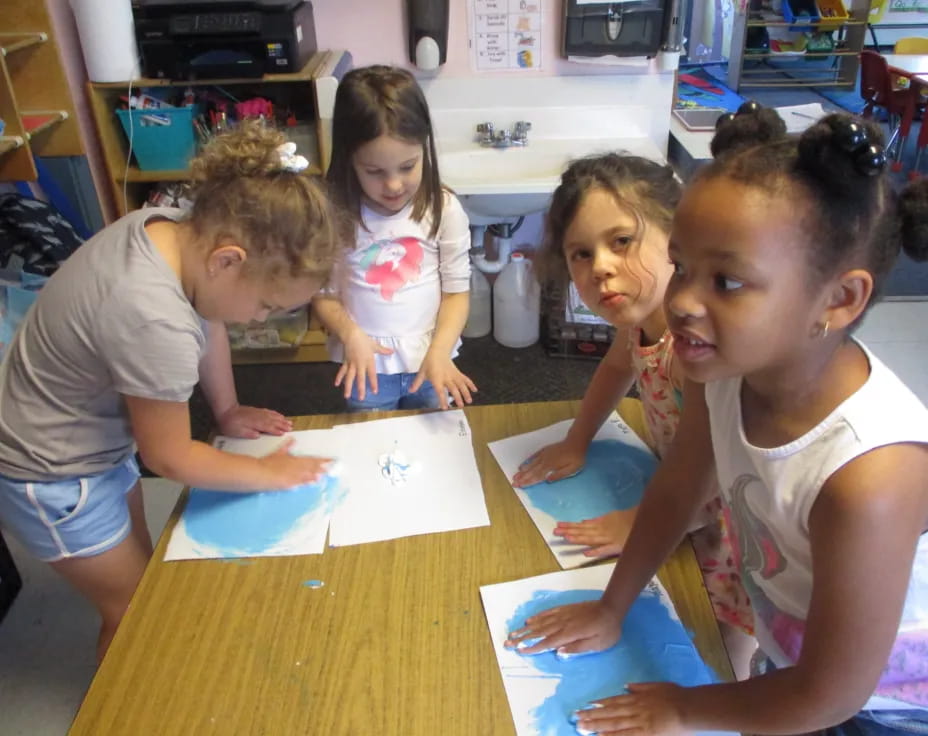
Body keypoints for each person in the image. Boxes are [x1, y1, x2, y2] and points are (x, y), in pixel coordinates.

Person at [506, 109, 928, 734]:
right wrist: (611, 606)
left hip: (882, 704)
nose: (679, 302)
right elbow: (679, 488)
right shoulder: (724, 372)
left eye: (727, 281)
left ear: (838, 300)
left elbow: (830, 694)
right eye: (681, 266)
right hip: (790, 653)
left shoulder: (872, 477)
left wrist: (681, 707)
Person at [0, 120, 345, 662]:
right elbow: (166, 455)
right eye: (267, 306)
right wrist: (264, 473)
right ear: (228, 261)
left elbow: (206, 316)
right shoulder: (152, 317)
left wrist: (226, 410)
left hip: (89, 440)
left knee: (143, 568)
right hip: (49, 474)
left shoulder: (171, 231)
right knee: (136, 609)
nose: (261, 318)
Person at [511, 152, 755, 677]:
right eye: (580, 253)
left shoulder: (698, 347)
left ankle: (729, 694)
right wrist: (576, 440)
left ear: (677, 238)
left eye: (621, 241)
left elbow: (707, 480)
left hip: (727, 522)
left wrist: (640, 521)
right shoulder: (644, 318)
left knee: (722, 632)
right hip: (680, 501)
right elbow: (616, 368)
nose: (599, 266)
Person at [314, 65, 477, 412]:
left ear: (424, 149)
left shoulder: (443, 209)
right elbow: (324, 296)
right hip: (367, 367)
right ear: (349, 159)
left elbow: (456, 294)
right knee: (373, 447)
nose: (393, 185)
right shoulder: (334, 214)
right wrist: (351, 335)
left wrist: (440, 352)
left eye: (407, 166)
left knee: (442, 444)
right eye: (374, 172)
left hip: (434, 359)